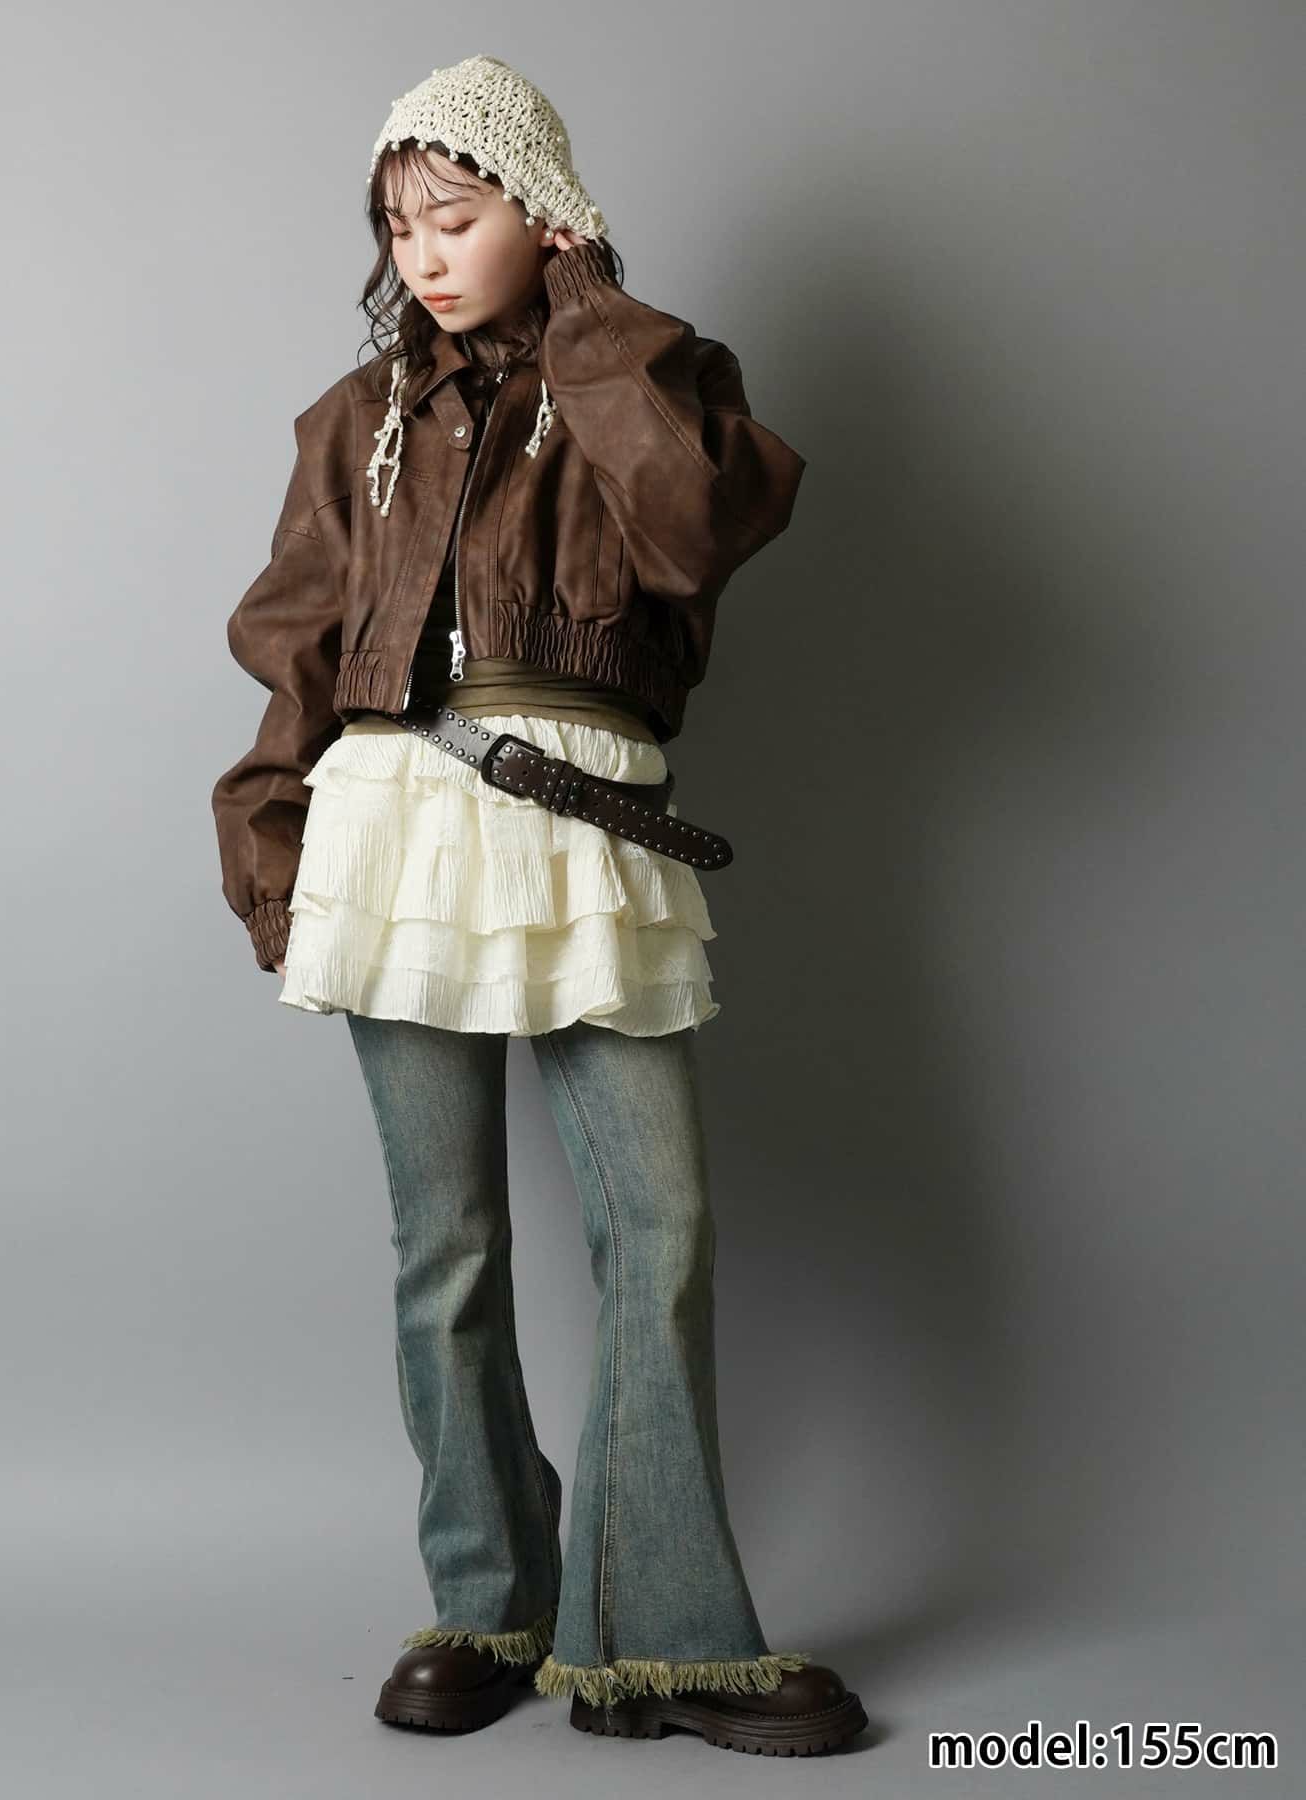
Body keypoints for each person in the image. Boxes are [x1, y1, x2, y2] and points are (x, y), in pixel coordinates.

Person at [210, 53, 868, 1757]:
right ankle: (487, 1600)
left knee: (661, 1228)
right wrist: (275, 859)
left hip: (586, 829)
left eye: (459, 212)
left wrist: (590, 316)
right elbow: (294, 658)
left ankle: (662, 1637)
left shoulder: (659, 379)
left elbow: (694, 535)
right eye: (398, 225)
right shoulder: (350, 423)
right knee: (446, 1247)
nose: (424, 253)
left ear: (543, 208)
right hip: (393, 834)